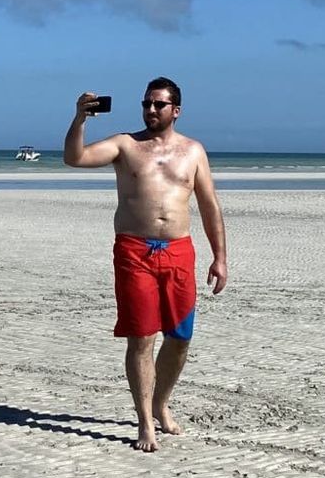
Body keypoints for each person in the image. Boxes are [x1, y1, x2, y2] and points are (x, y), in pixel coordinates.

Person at [65, 78, 228, 454]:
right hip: (134, 251)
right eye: (146, 104)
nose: (150, 110)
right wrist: (79, 120)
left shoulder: (193, 152)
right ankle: (144, 421)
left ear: (176, 110)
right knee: (141, 338)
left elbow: (209, 205)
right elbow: (75, 158)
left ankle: (160, 403)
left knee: (180, 338)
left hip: (178, 252)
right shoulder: (126, 145)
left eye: (159, 104)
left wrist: (220, 257)